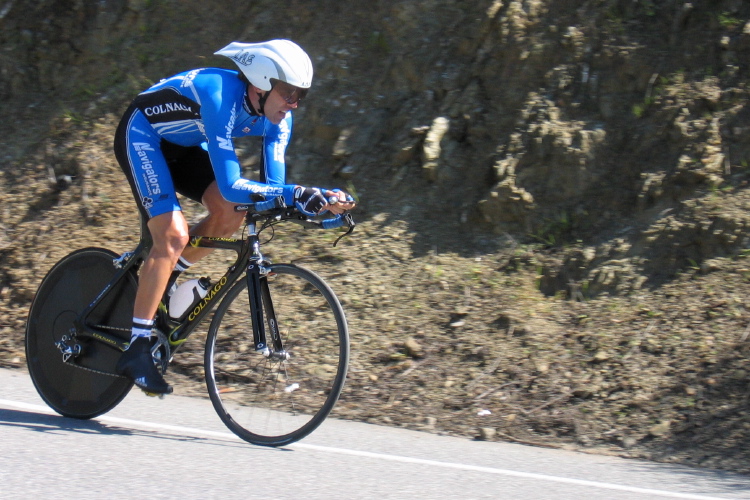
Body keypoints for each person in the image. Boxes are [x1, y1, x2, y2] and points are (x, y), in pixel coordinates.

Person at [112, 39, 355, 395]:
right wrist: (297, 192)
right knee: (173, 236)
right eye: (288, 93)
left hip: (185, 145)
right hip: (143, 137)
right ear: (260, 84)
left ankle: (164, 279)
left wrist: (320, 205)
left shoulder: (279, 120)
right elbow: (231, 184)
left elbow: (273, 192)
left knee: (232, 214)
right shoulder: (220, 94)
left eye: (300, 95)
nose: (294, 104)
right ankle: (135, 347)